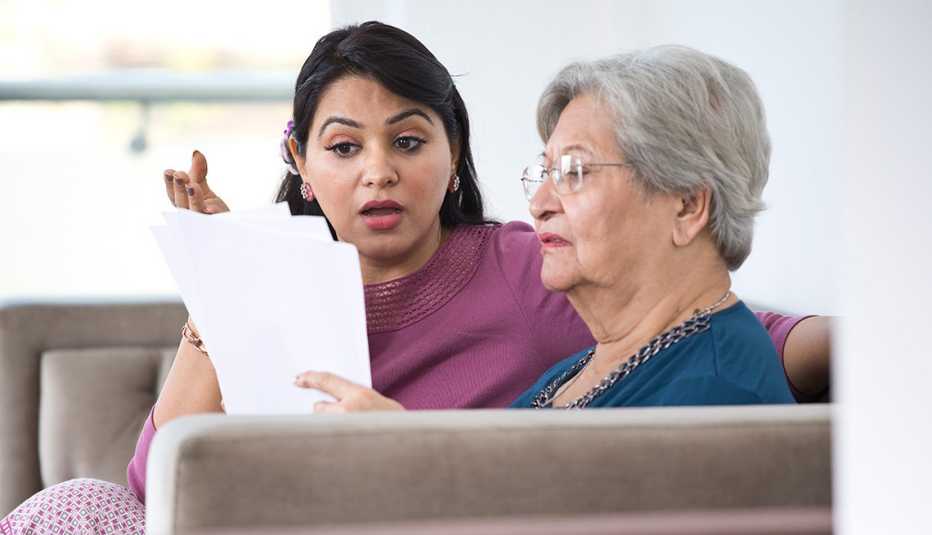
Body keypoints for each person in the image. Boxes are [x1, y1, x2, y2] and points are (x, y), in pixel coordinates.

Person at [0, 22, 828, 535]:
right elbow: (158, 492)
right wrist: (226, 287)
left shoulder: (537, 274)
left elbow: (723, 321)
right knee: (79, 504)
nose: (377, 176)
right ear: (301, 158)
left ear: (452, 149)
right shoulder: (586, 353)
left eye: (407, 141)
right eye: (342, 147)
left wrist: (870, 348)